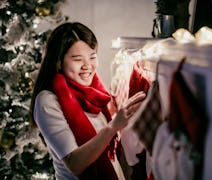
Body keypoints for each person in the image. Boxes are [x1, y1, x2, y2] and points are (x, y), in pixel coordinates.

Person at [29, 22, 146, 180]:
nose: (87, 66)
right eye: (77, 59)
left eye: (92, 57)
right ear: (58, 62)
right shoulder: (47, 100)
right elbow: (75, 164)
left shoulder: (95, 92)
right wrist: (113, 126)